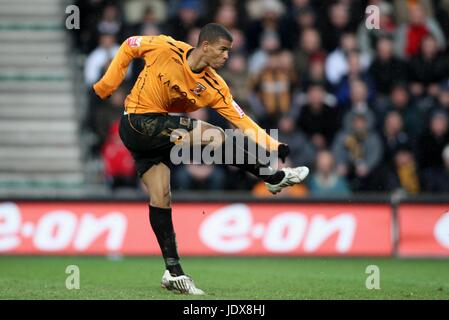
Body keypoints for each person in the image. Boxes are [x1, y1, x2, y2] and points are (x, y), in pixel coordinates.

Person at [93, 23, 309, 295]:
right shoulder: (164, 47)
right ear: (205, 46)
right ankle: (272, 177)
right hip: (137, 122)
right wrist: (107, 85)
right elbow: (128, 46)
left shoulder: (215, 86)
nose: (227, 56)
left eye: (229, 52)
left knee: (162, 197)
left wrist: (274, 145)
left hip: (156, 136)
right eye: (223, 50)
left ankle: (173, 273)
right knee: (213, 134)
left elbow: (242, 121)